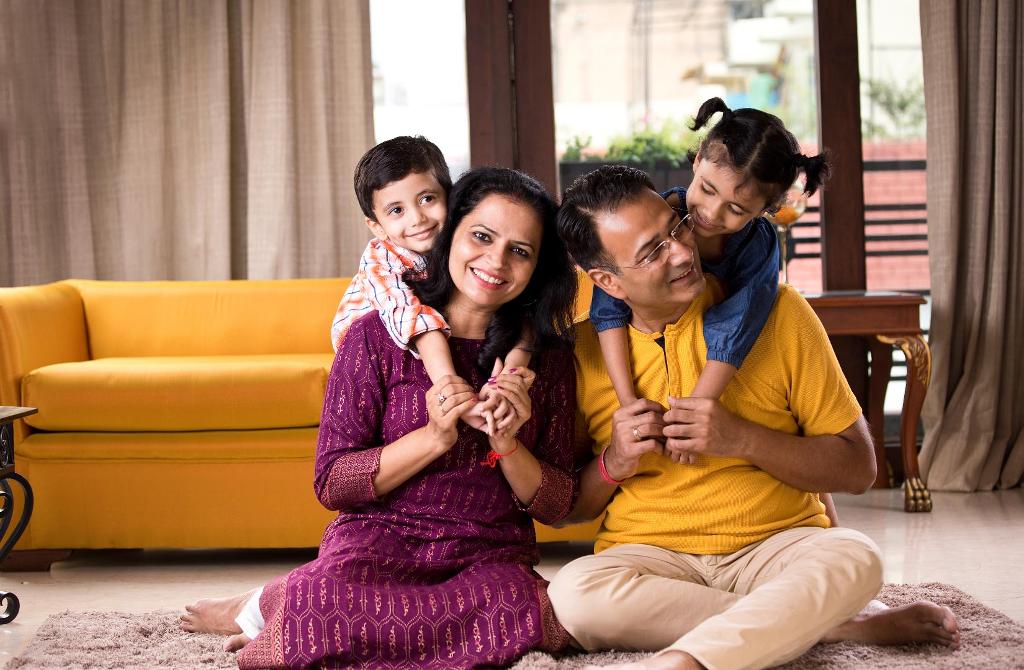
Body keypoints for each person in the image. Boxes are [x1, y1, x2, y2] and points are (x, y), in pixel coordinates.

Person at [549, 164, 959, 670]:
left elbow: (859, 469)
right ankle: (836, 626)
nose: (682, 251)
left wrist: (741, 439)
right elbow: (571, 508)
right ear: (608, 281)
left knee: (857, 556)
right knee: (573, 594)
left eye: (676, 228)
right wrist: (614, 459)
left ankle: (686, 662)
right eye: (652, 252)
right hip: (650, 556)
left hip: (778, 545)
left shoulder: (781, 313)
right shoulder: (585, 350)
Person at [181, 167, 579, 669]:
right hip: (376, 545)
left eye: (520, 250)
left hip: (486, 557)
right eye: (481, 236)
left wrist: (508, 444)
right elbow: (333, 483)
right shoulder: (373, 337)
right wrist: (435, 437)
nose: (496, 261)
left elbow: (557, 504)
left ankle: (278, 608)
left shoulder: (550, 358)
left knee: (529, 613)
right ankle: (284, 604)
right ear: (450, 232)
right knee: (320, 603)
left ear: (538, 266)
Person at [330, 136, 528, 435]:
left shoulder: (455, 243)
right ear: (377, 226)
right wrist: (454, 395)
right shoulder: (380, 259)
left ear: (449, 196)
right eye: (396, 210)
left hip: (431, 330)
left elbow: (525, 309)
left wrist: (508, 376)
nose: (418, 218)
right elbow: (414, 320)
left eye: (427, 199)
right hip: (377, 348)